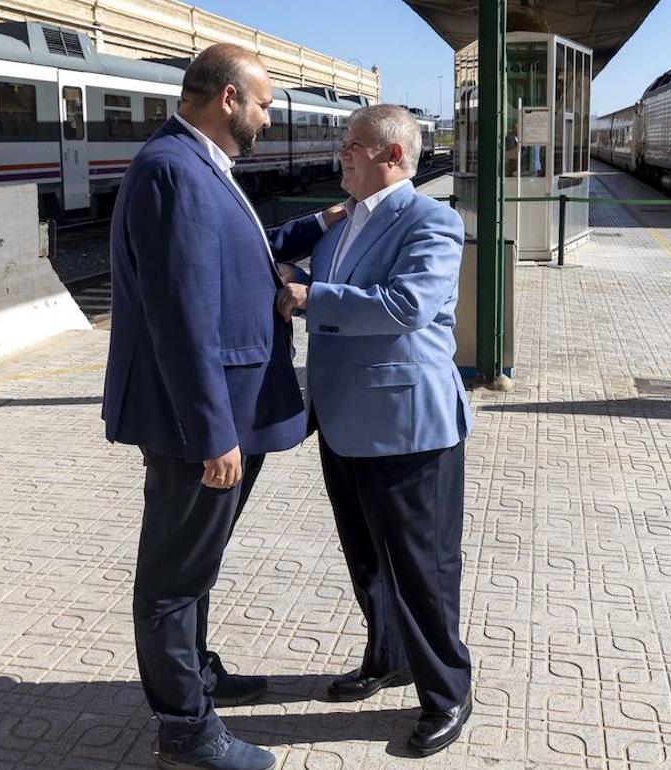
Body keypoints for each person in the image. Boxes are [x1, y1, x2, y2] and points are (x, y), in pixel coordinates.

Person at [102, 43, 342, 770]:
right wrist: (213, 435)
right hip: (198, 427)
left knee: (196, 566)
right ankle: (185, 732)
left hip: (227, 415)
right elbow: (180, 317)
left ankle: (198, 678)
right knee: (173, 579)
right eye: (265, 103)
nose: (270, 118)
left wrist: (323, 222)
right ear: (228, 99)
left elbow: (240, 254)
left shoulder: (200, 163)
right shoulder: (173, 169)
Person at [277, 103, 473, 757]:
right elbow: (330, 282)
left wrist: (312, 298)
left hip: (408, 427)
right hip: (342, 420)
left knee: (422, 568)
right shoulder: (342, 225)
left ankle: (446, 693)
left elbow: (407, 305)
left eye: (354, 144)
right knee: (366, 559)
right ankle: (387, 654)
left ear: (393, 155)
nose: (343, 154)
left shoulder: (432, 221)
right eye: (344, 144)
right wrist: (297, 279)